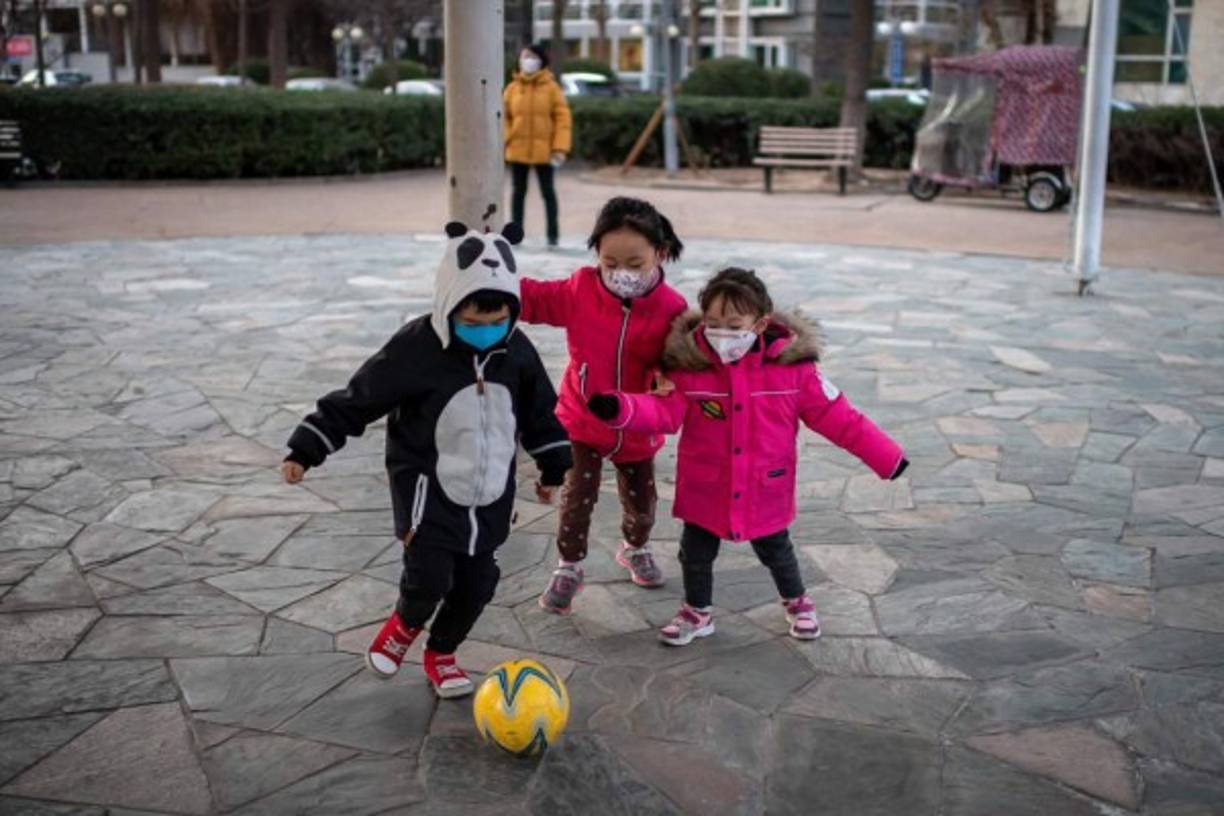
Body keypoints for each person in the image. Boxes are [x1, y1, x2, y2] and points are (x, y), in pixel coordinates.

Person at [280, 221, 572, 697]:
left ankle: (442, 652)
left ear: (511, 312)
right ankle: (404, 625)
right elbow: (360, 397)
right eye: (471, 324)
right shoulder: (417, 348)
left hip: (492, 496)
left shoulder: (517, 352)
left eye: (496, 322)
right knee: (429, 577)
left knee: (479, 584)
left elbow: (540, 412)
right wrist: (307, 447)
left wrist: (553, 467)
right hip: (428, 493)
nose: (484, 332)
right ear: (448, 306)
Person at [587, 268, 908, 645]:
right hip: (707, 485)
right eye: (712, 323)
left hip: (764, 485)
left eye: (733, 324)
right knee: (695, 552)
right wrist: (620, 408)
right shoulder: (691, 369)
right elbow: (663, 412)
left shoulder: (793, 370)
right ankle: (697, 610)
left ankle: (797, 601)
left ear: (760, 324)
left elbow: (839, 417)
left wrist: (887, 457)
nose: (722, 333)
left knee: (776, 549)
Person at [519, 197, 688, 614]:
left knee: (642, 504)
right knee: (577, 497)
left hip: (636, 422)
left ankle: (635, 547)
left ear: (660, 254)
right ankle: (568, 567)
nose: (620, 273)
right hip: (581, 418)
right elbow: (533, 298)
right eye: (609, 262)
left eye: (634, 263)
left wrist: (668, 376)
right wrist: (487, 276)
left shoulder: (673, 309)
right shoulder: (580, 289)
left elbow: (681, 360)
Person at [504, 43, 572, 248]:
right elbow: (502, 117)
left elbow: (562, 119)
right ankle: (515, 236)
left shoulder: (552, 88)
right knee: (518, 193)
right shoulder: (512, 89)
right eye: (525, 56)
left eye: (532, 57)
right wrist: (508, 138)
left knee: (548, 193)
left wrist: (559, 149)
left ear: (541, 61)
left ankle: (553, 235)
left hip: (546, 152)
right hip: (517, 149)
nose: (528, 60)